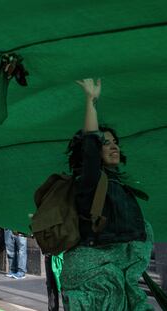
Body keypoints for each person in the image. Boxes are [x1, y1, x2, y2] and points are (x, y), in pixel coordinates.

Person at [60, 79, 153, 310]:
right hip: (95, 274)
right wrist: (90, 102)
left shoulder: (115, 184)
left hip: (109, 272)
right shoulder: (90, 179)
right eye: (105, 143)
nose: (114, 147)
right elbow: (90, 145)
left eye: (115, 143)